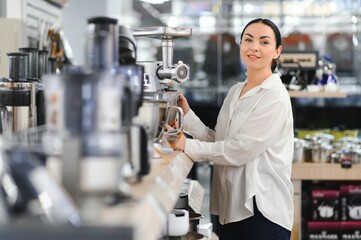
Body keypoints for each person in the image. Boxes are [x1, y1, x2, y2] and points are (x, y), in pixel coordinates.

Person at [167, 18, 294, 240]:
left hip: (261, 211)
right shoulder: (236, 91)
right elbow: (220, 140)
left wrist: (186, 145)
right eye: (248, 40)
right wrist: (186, 116)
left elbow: (238, 151)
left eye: (264, 42)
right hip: (228, 207)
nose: (254, 47)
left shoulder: (275, 97)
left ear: (277, 51)